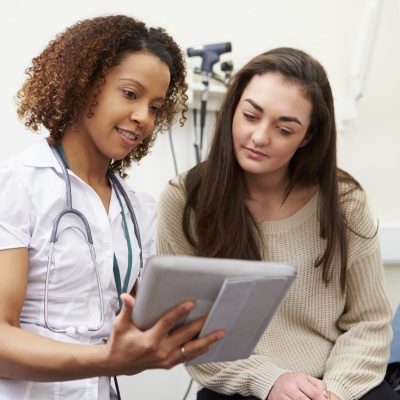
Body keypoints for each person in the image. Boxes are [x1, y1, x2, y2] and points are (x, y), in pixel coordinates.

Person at [0, 15, 224, 400]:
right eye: (131, 94)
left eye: (155, 107)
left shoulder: (139, 211)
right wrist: (105, 359)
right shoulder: (17, 184)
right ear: (84, 84)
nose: (143, 119)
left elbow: (137, 322)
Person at [156, 47, 399, 400]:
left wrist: (334, 392)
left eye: (284, 129)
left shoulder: (344, 202)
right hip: (244, 384)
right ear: (233, 108)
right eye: (251, 116)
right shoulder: (185, 199)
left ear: (308, 136)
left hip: (337, 385)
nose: (259, 137)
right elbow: (191, 335)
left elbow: (369, 322)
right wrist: (272, 381)